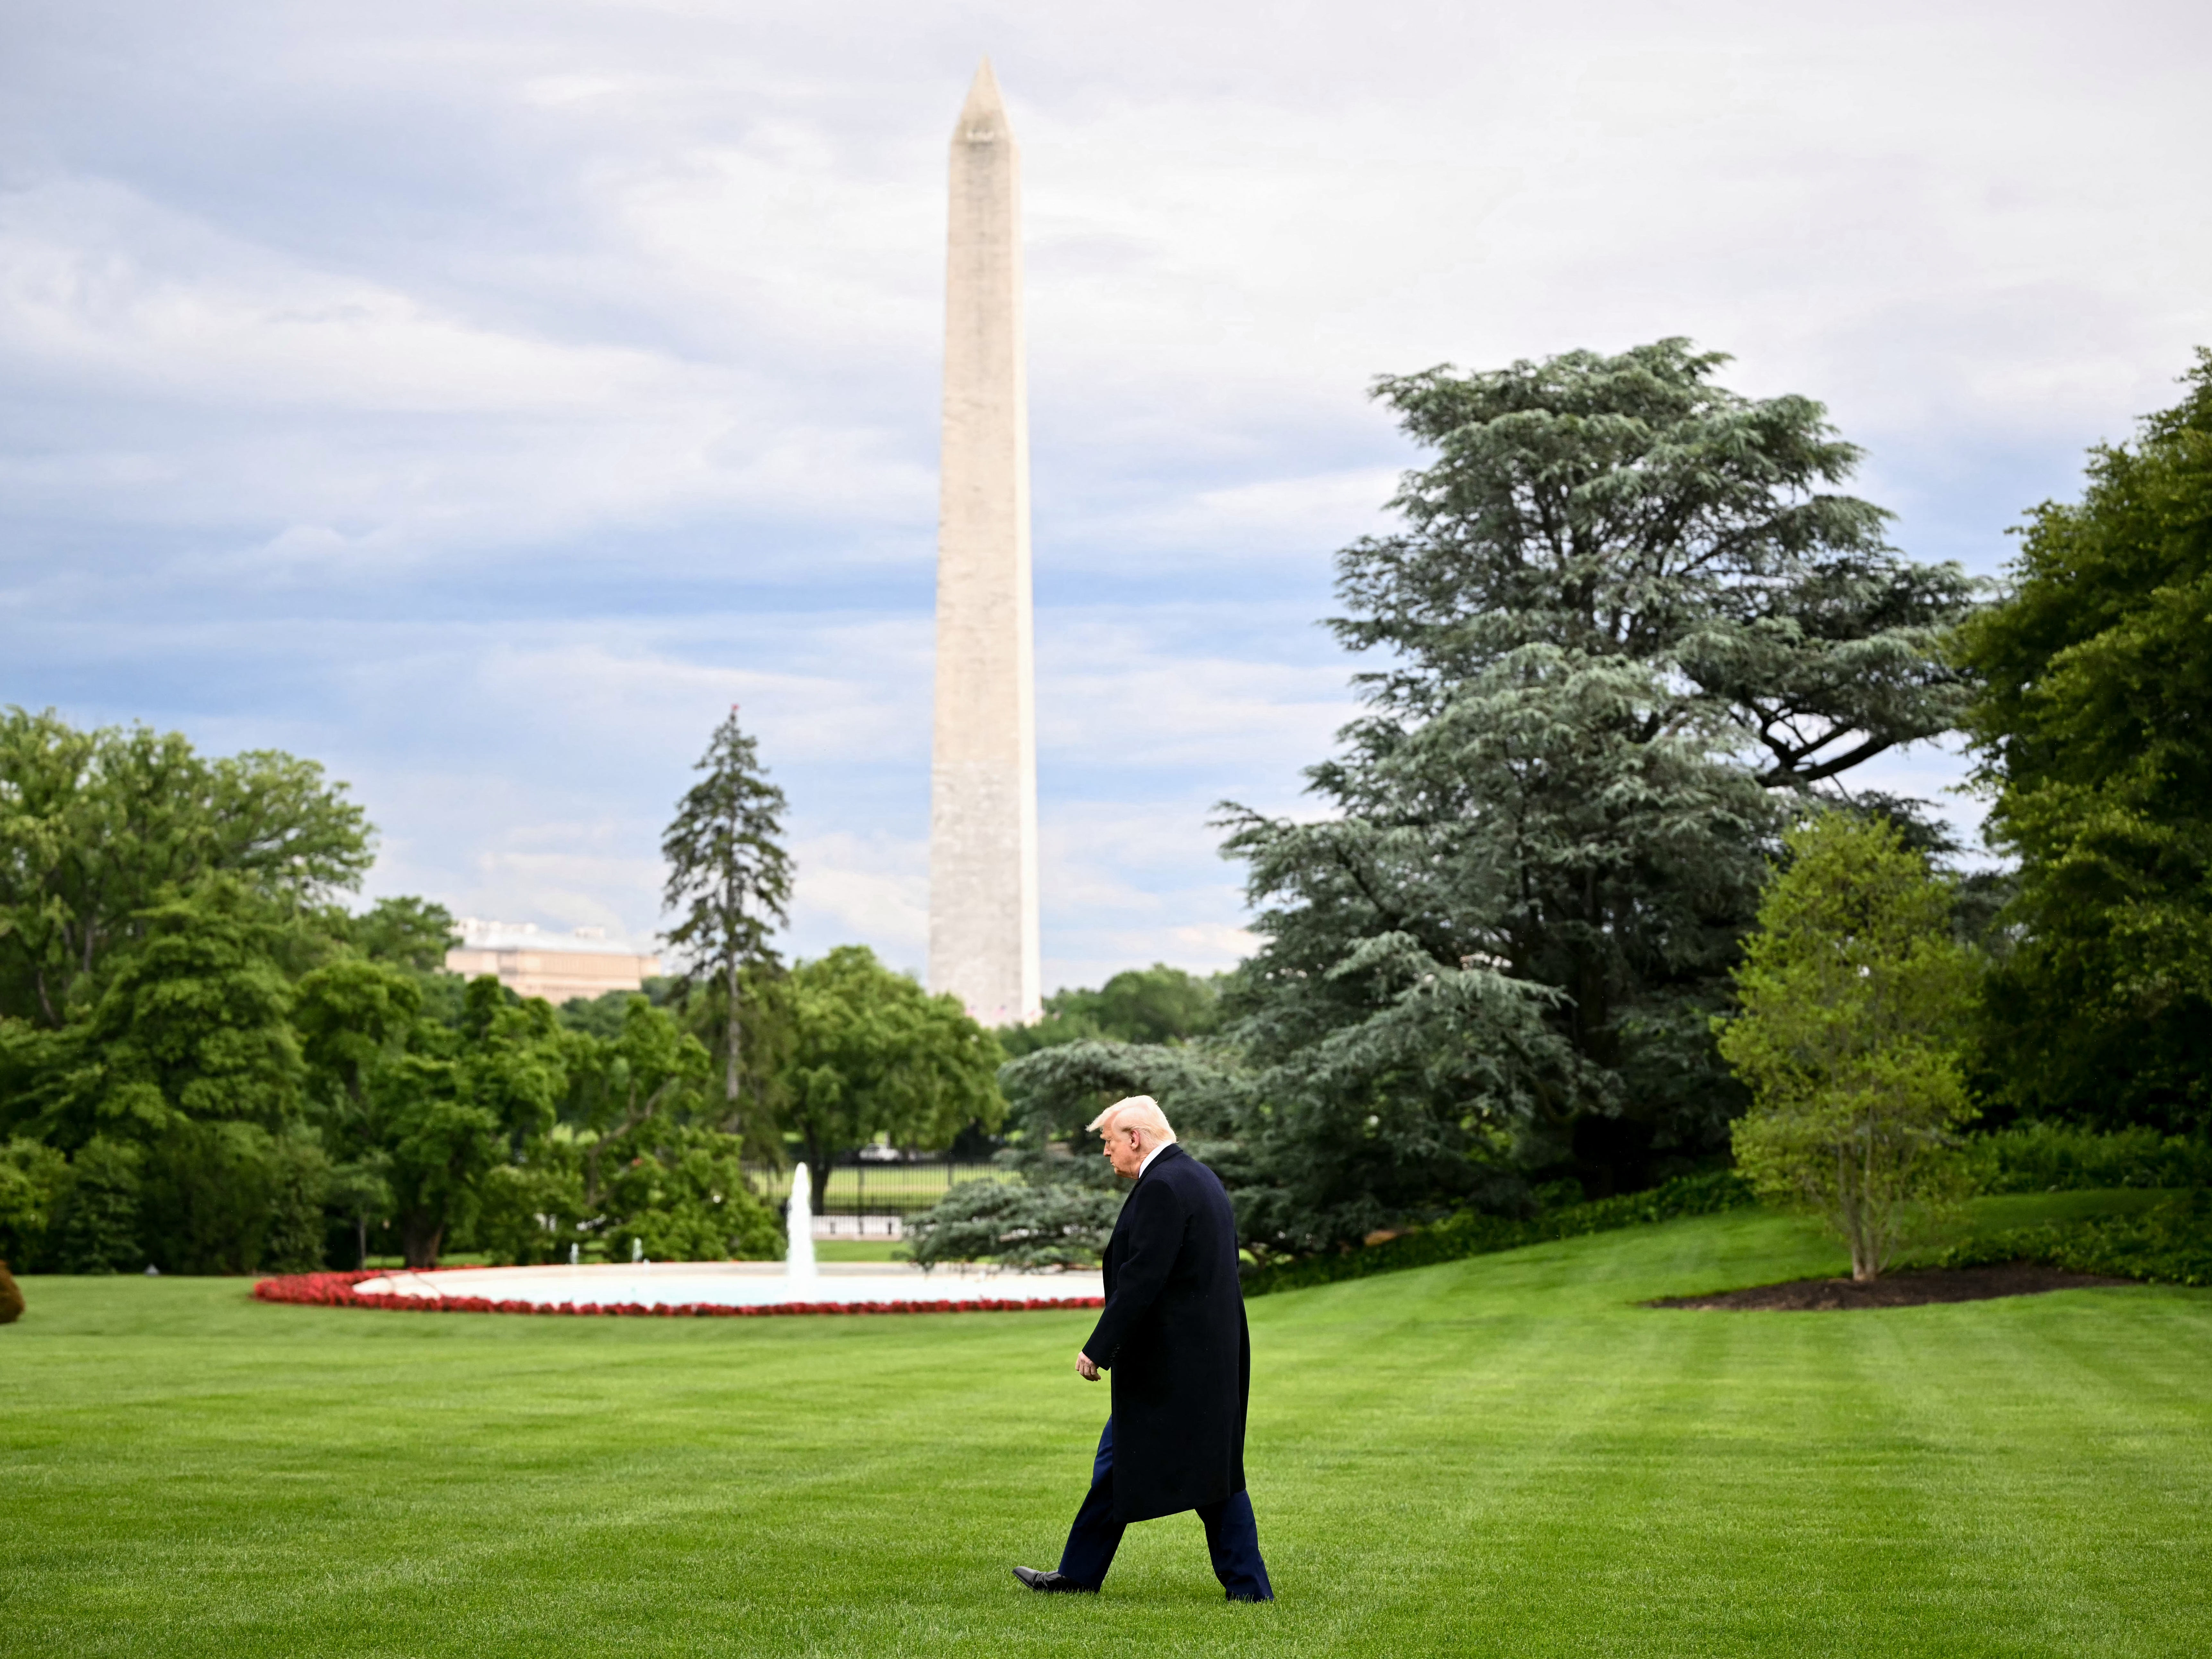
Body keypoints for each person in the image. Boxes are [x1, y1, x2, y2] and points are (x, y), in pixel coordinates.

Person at [1011, 1095, 1272, 1601]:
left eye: (1109, 1142)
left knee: (1210, 1477)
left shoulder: (1163, 1188)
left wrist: (1098, 1347)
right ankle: (1080, 1573)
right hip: (1202, 1359)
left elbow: (1142, 1279)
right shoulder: (1199, 1178)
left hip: (1175, 1365)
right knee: (1147, 1463)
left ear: (1135, 1137)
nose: (1107, 1153)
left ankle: (1248, 1587)